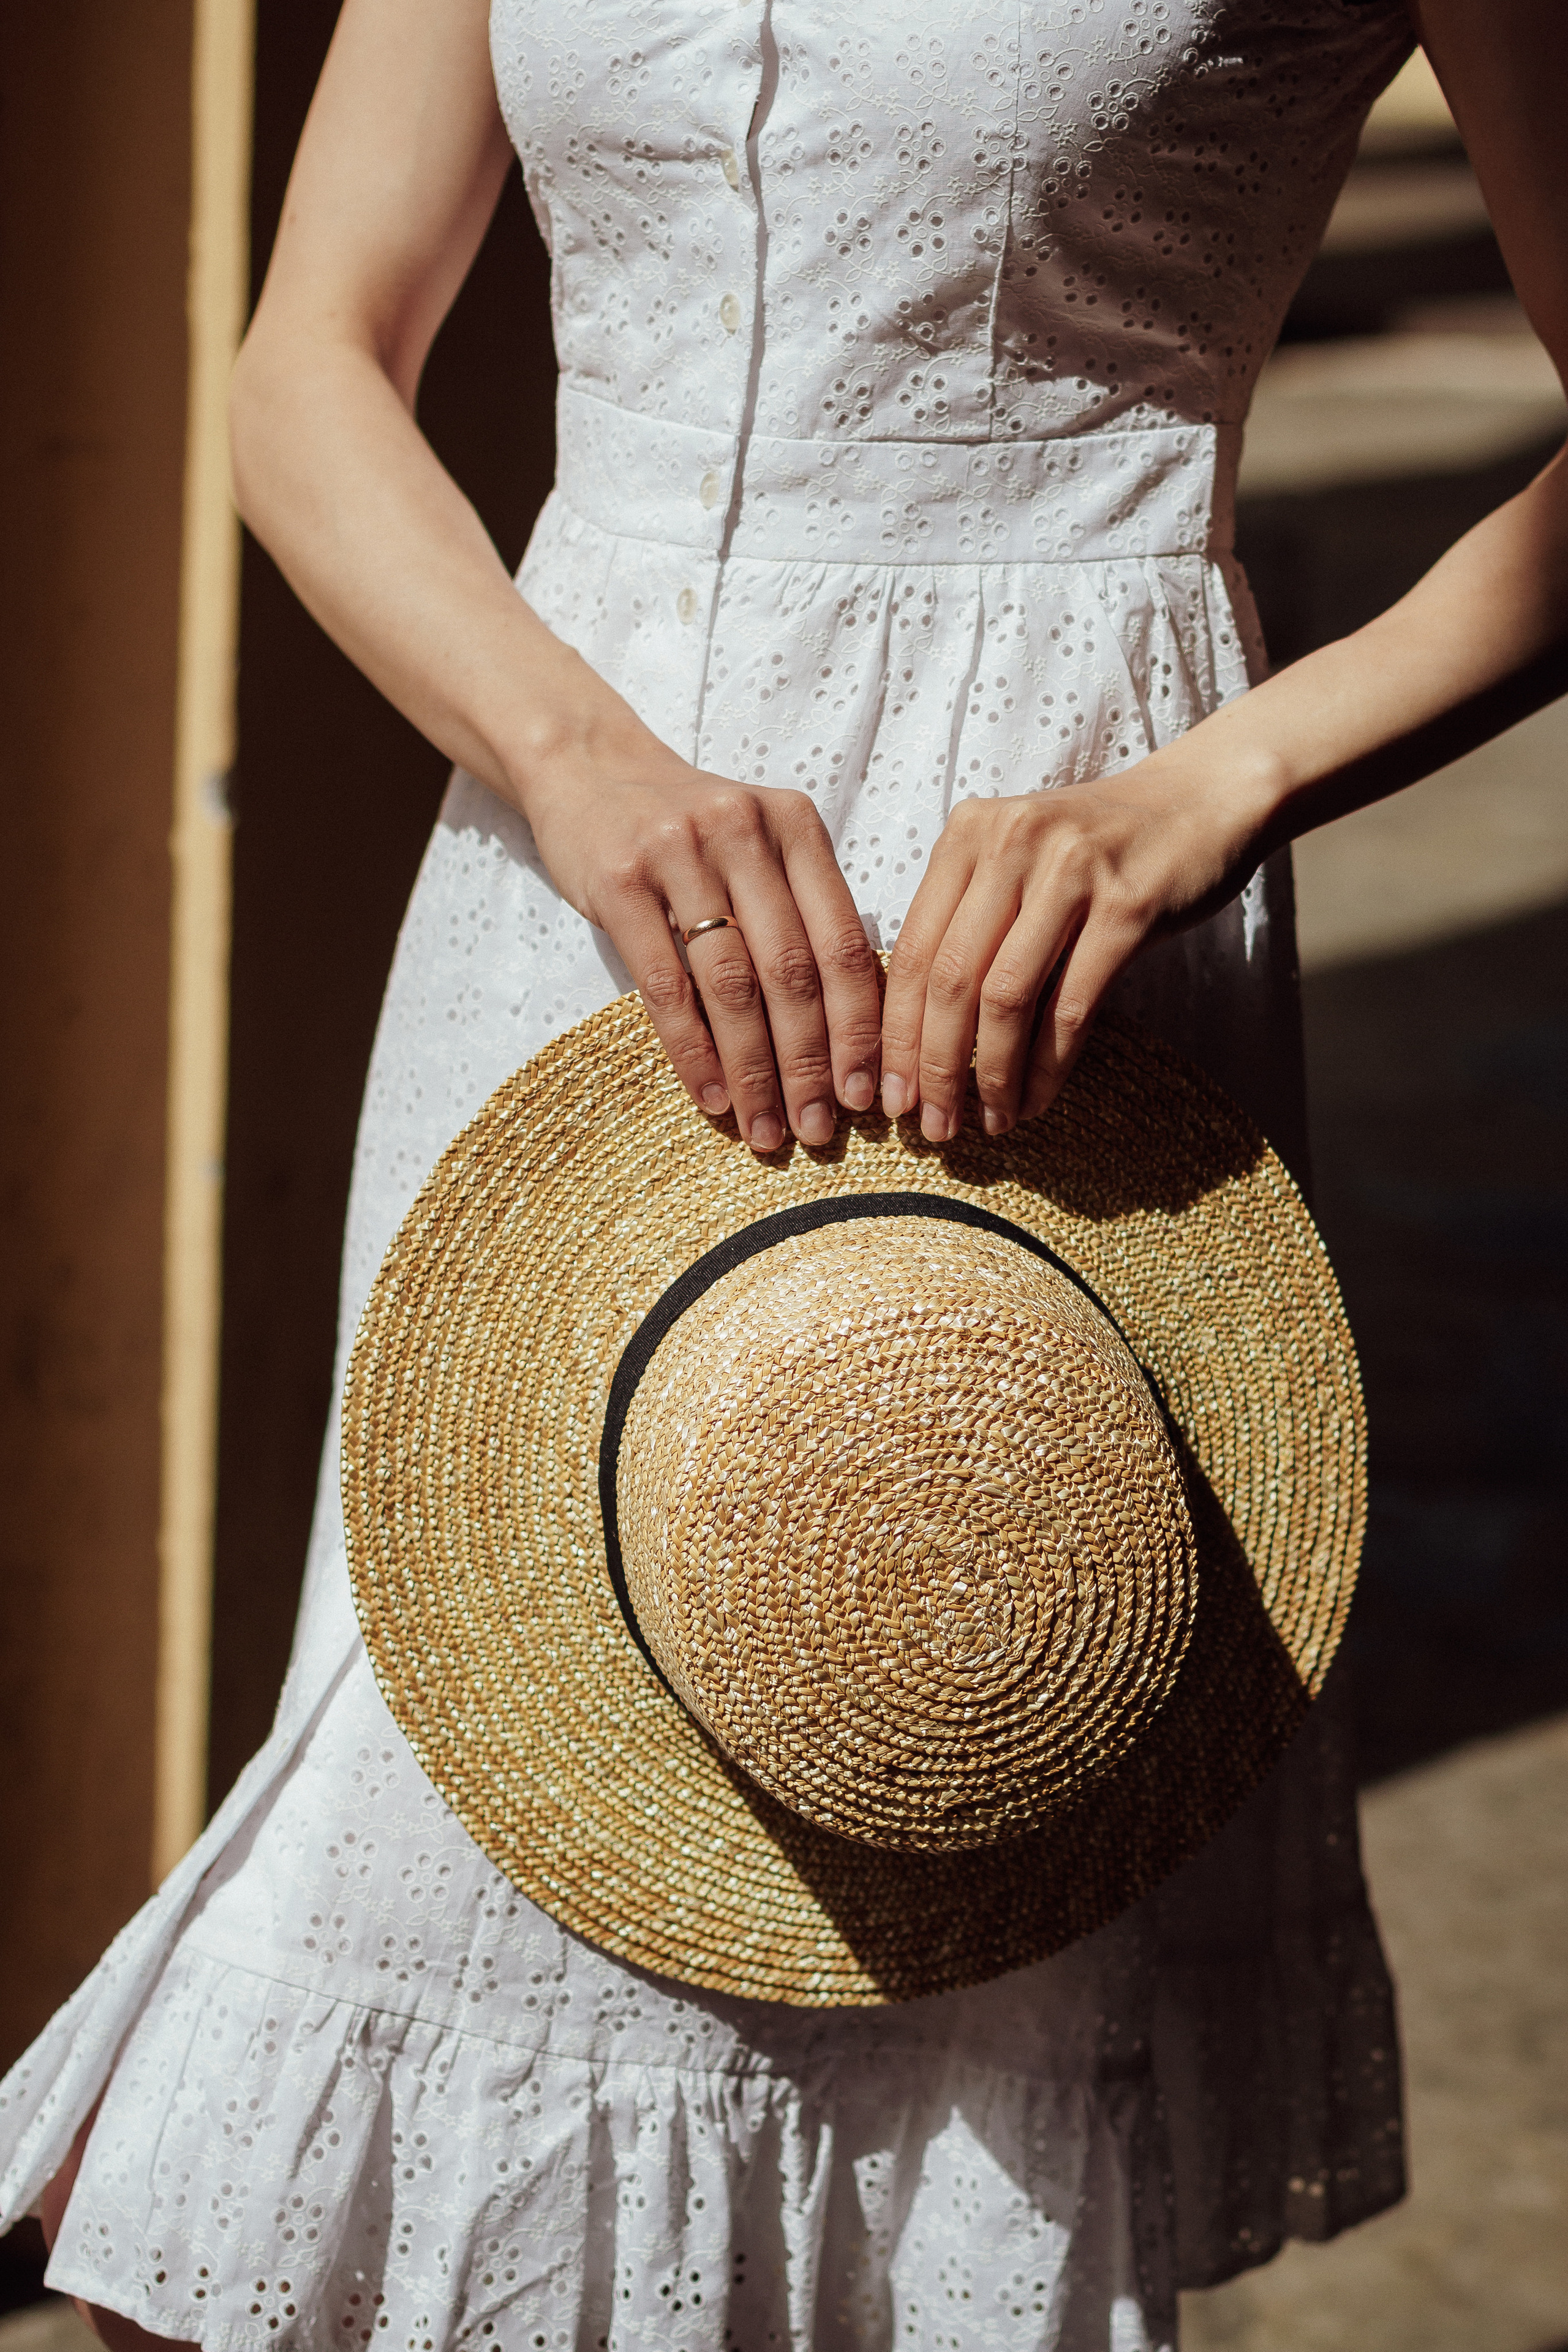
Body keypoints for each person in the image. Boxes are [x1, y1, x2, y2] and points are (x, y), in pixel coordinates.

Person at [3, 0, 1564, 2344]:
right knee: (351, 1963)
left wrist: (1218, 785)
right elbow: (309, 354)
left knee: (895, 1865)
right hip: (556, 881)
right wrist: (575, 761)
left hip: (1032, 938)